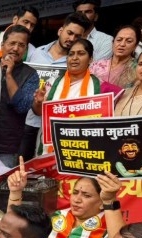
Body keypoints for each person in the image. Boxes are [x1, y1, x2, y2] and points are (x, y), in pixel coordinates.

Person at [7, 158, 125, 238]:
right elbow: (13, 228)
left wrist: (110, 200)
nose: (77, 200)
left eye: (86, 195)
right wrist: (15, 192)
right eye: (75, 192)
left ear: (102, 202)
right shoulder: (55, 218)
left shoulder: (109, 229)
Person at [21, 12, 90, 160]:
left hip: (53, 126)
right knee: (22, 164)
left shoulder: (75, 62)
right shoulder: (36, 53)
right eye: (69, 33)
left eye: (77, 36)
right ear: (60, 31)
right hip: (28, 120)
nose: (72, 39)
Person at [0, 25, 39, 168]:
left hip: (7, 146)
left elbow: (22, 106)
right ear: (3, 45)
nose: (16, 48)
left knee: (3, 182)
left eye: (21, 45)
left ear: (26, 49)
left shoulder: (31, 74)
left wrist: (8, 74)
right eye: (12, 43)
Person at [32, 39, 120, 121]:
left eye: (81, 54)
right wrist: (38, 103)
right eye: (71, 54)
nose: (74, 58)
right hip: (54, 131)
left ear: (90, 59)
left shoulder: (101, 86)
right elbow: (38, 112)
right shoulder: (53, 82)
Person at [90, 25, 139, 90]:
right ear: (113, 43)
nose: (122, 44)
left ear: (135, 46)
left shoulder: (138, 69)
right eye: (119, 40)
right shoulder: (97, 65)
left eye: (129, 41)